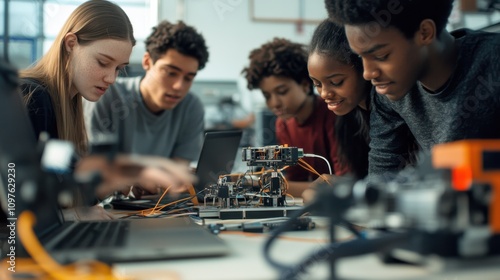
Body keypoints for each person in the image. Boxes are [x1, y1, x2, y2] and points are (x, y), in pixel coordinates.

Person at [18, 1, 194, 219]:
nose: (111, 78)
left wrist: (116, 181)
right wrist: (74, 216)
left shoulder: (68, 103)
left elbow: (62, 188)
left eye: (119, 69)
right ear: (71, 44)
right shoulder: (33, 97)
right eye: (103, 62)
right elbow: (16, 212)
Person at [324, 0, 500, 177]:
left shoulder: (493, 63)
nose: (368, 73)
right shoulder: (390, 95)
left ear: (425, 33)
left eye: (381, 56)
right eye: (361, 57)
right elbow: (381, 176)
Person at [88, 20, 209, 167]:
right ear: (147, 61)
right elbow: (94, 169)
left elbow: (178, 172)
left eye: (188, 78)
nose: (179, 86)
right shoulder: (107, 96)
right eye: (171, 73)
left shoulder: (191, 107)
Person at [242, 38, 346, 197]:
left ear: (305, 85)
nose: (274, 103)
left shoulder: (333, 114)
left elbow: (341, 182)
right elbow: (297, 179)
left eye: (282, 91)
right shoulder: (283, 124)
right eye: (267, 95)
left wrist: (262, 184)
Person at [307, 19, 372, 179]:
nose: (324, 94)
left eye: (336, 82)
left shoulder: (387, 110)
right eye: (317, 84)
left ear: (363, 67)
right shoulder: (347, 119)